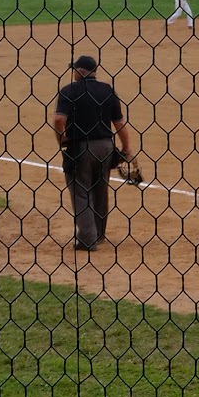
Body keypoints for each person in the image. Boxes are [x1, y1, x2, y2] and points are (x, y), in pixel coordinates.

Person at [51, 54, 136, 251]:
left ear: (80, 72)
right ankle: (98, 234)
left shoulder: (69, 91)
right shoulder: (107, 90)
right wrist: (126, 148)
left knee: (81, 192)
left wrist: (61, 139)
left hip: (81, 148)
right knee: (100, 191)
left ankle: (87, 239)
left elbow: (58, 120)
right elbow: (119, 123)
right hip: (106, 146)